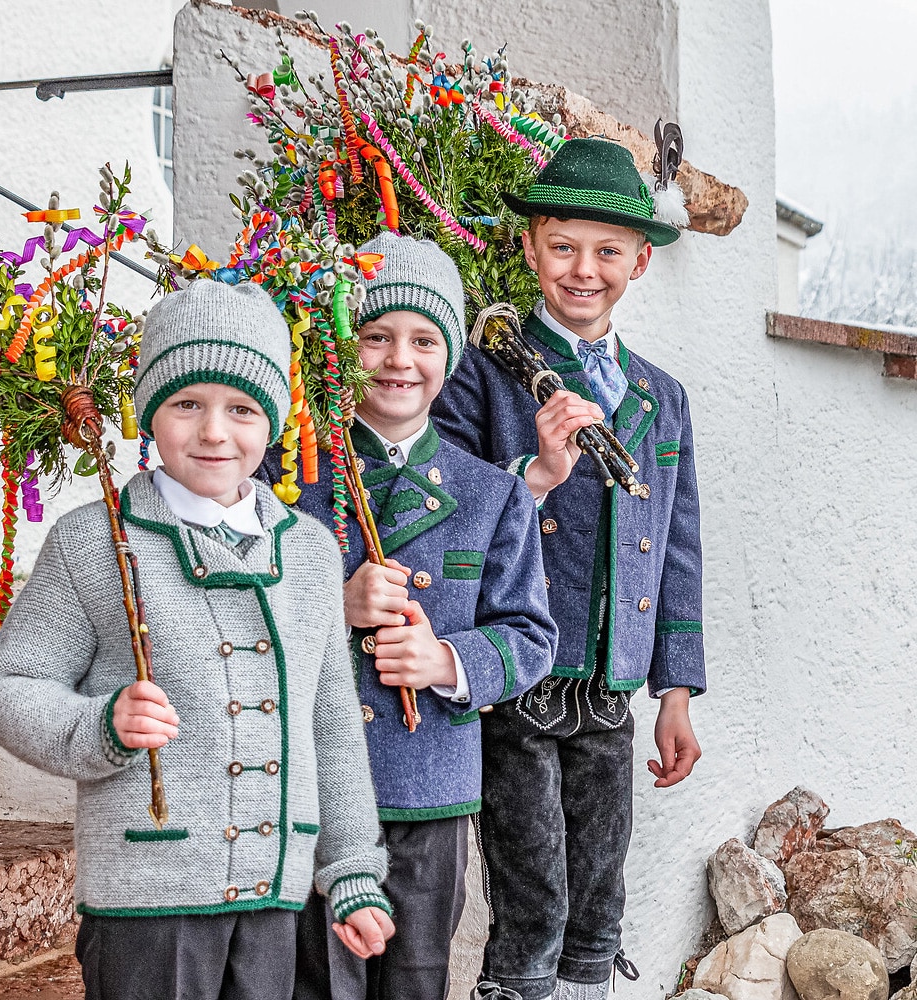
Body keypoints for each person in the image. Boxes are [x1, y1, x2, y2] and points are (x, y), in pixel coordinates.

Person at [0, 279, 395, 1000]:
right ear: (148, 413)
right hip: (146, 901)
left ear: (273, 420)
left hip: (275, 896)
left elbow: (331, 723)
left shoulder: (311, 551)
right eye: (186, 404)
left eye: (240, 409)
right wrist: (99, 724)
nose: (213, 433)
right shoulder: (93, 542)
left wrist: (353, 868)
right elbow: (8, 689)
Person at [430, 137, 707, 1000]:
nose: (583, 270)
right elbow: (447, 515)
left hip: (611, 688)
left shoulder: (661, 396)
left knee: (596, 899)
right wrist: (537, 474)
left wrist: (675, 691)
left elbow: (677, 544)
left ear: (641, 261)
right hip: (518, 678)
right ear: (529, 247)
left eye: (607, 252)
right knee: (535, 899)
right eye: (563, 246)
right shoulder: (481, 375)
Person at [261, 232, 558, 1000]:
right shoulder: (289, 482)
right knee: (319, 982)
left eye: (424, 339)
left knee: (417, 979)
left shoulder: (491, 492)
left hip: (430, 788)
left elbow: (530, 635)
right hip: (314, 790)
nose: (400, 359)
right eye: (376, 336)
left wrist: (447, 663)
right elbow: (236, 617)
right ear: (343, 348)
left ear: (449, 356)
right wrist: (336, 601)